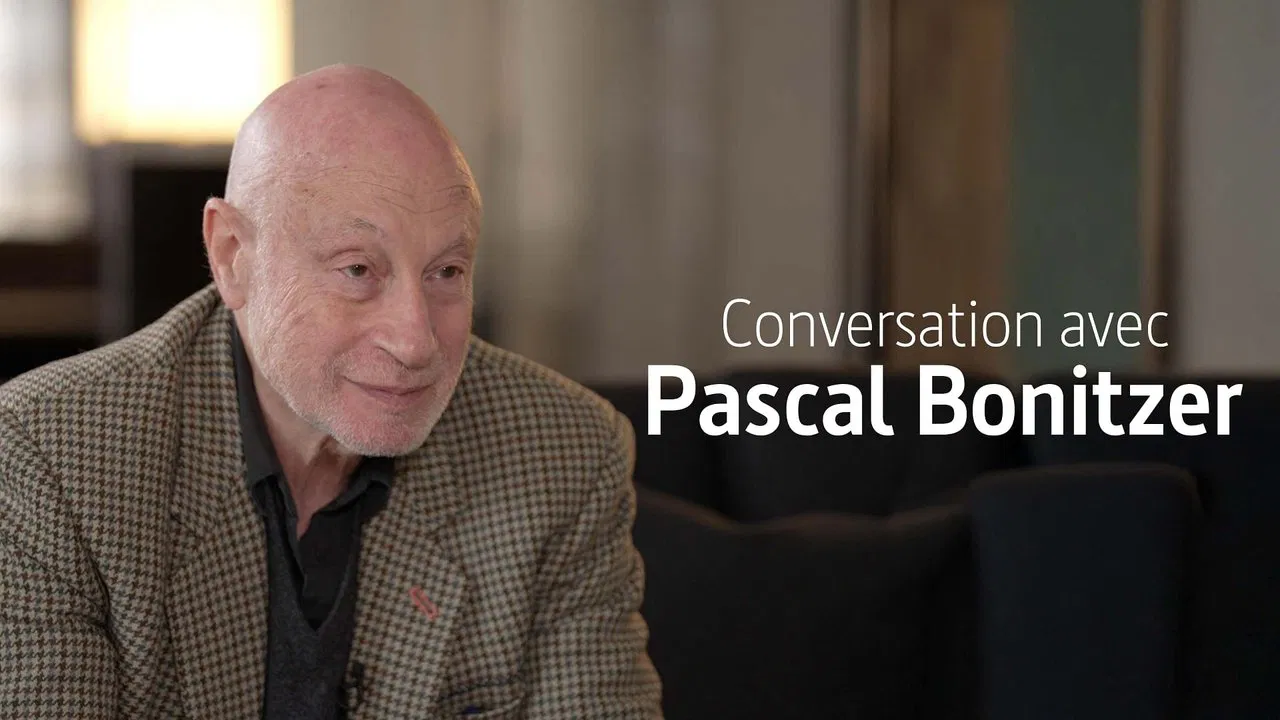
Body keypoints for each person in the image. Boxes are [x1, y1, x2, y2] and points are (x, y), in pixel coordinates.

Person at [0, 65, 662, 719]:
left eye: (446, 271)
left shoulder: (566, 452)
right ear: (232, 255)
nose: (415, 341)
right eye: (357, 269)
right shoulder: (52, 457)